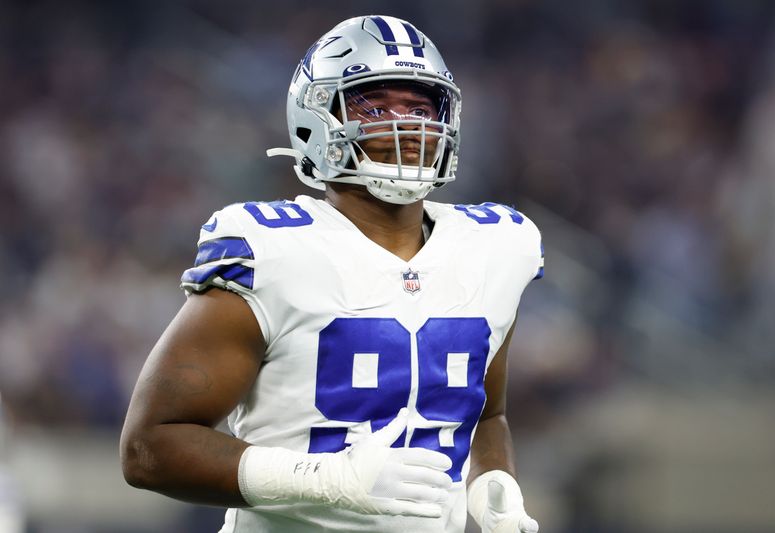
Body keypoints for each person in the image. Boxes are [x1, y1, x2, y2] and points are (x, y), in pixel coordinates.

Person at [121, 15, 543, 533]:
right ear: (318, 118)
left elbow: (484, 415)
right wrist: (326, 480)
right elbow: (150, 447)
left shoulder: (495, 248)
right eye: (375, 105)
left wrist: (489, 482)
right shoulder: (273, 249)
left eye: (420, 107)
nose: (406, 123)